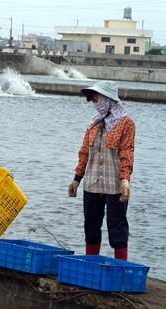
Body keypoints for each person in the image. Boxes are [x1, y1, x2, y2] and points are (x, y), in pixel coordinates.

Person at [68, 81, 135, 261]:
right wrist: (76, 179)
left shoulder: (125, 123)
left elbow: (127, 152)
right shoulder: (93, 124)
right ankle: (91, 264)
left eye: (96, 98)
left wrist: (125, 180)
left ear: (108, 99)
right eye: (92, 99)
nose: (93, 102)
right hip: (92, 183)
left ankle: (120, 268)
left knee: (117, 226)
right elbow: (84, 152)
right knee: (91, 225)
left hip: (115, 185)